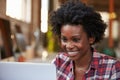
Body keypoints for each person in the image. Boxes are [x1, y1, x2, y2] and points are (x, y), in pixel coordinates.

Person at [50, 0, 120, 80]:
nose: (69, 46)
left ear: (91, 38)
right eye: (64, 39)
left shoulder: (112, 68)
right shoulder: (59, 62)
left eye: (76, 39)